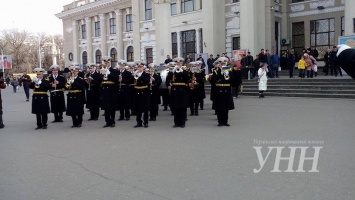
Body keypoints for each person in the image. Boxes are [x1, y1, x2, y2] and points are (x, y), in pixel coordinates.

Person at [210, 57, 234, 126]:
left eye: (224, 63)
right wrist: (221, 73)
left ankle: (225, 121)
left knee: (226, 108)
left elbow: (233, 80)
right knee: (219, 107)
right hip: (218, 90)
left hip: (227, 90)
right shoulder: (216, 71)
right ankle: (220, 121)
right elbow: (212, 80)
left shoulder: (229, 70)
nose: (222, 64)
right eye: (221, 63)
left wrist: (228, 74)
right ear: (219, 64)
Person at [166, 57, 190, 128]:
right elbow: (168, 80)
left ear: (182, 64)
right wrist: (172, 72)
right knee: (175, 107)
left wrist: (182, 71)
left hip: (182, 90)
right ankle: (176, 123)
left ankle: (182, 123)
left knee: (182, 107)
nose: (178, 64)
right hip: (175, 91)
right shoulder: (172, 71)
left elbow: (187, 79)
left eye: (180, 63)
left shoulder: (184, 71)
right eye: (177, 63)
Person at [100, 56, 119, 128]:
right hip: (104, 90)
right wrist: (102, 73)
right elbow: (99, 80)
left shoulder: (114, 70)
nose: (106, 63)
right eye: (105, 62)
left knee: (112, 107)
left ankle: (112, 121)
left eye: (108, 62)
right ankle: (107, 122)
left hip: (111, 90)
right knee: (106, 108)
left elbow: (116, 79)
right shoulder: (102, 70)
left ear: (110, 62)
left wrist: (109, 73)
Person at [133, 61, 151, 128]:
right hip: (137, 92)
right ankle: (139, 122)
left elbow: (147, 82)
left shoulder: (147, 74)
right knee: (138, 108)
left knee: (145, 108)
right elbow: (133, 83)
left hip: (144, 92)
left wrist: (141, 76)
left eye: (141, 67)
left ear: (143, 67)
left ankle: (146, 122)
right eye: (138, 67)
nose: (139, 68)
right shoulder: (135, 74)